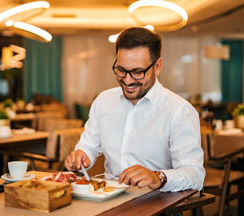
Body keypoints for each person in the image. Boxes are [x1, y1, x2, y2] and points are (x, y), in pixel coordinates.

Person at [65, 27, 205, 192]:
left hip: (158, 202)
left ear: (157, 66)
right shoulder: (103, 101)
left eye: (138, 72)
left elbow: (195, 175)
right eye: (121, 70)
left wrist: (157, 177)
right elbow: (89, 144)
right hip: (106, 198)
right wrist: (82, 154)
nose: (128, 80)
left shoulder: (179, 110)